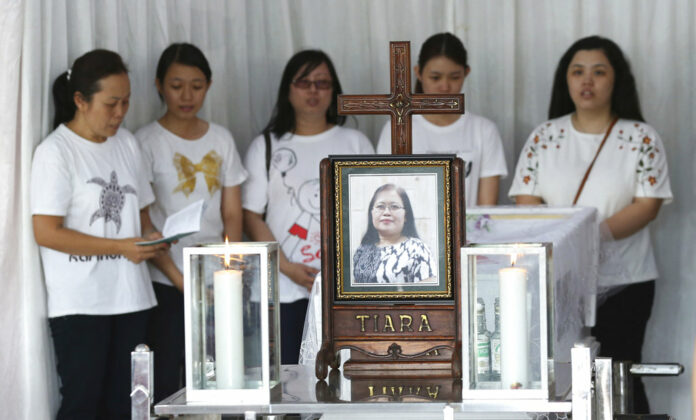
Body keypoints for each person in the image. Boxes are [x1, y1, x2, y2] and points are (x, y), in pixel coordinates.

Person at [508, 35, 672, 413]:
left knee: (621, 374)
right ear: (564, 80)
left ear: (616, 80)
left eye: (599, 72)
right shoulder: (544, 137)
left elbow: (647, 206)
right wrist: (567, 250)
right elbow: (527, 204)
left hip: (625, 281)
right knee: (561, 378)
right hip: (557, 282)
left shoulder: (641, 137)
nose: (587, 81)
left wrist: (583, 239)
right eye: (578, 72)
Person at [31, 49, 167, 419]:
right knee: (82, 403)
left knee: (131, 406)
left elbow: (141, 219)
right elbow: (46, 231)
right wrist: (120, 247)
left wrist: (161, 244)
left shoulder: (127, 144)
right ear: (80, 100)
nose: (120, 113)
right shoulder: (56, 152)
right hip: (81, 302)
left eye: (126, 102)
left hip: (133, 297)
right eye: (111, 104)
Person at [242, 49, 374, 364]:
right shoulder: (267, 145)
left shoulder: (355, 143)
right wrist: (284, 266)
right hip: (284, 287)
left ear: (335, 90)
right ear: (288, 89)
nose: (313, 91)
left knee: (344, 379)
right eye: (304, 82)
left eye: (322, 83)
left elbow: (371, 214)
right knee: (286, 379)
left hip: (344, 289)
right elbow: (251, 215)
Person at [135, 43, 247, 402]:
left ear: (209, 86)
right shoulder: (145, 142)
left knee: (219, 371)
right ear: (158, 85)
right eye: (176, 85)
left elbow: (231, 212)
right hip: (166, 279)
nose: (187, 95)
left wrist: (229, 263)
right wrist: (182, 282)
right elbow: (145, 220)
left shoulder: (221, 138)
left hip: (217, 277)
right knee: (169, 374)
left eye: (196, 86)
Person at [376, 32, 507, 206]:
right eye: (435, 77)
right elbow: (387, 196)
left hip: (469, 232)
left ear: (466, 73)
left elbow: (486, 209)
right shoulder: (397, 130)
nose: (445, 87)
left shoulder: (484, 130)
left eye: (454, 77)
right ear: (418, 73)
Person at [353, 184, 436, 284]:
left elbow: (428, 296)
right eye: (380, 206)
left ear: (406, 215)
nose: (386, 212)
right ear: (372, 213)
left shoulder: (418, 250)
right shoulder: (362, 251)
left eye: (394, 206)